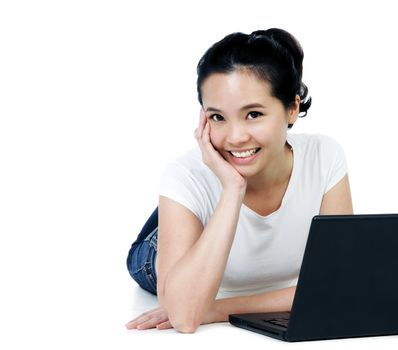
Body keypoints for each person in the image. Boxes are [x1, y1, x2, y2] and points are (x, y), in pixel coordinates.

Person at [125, 28, 354, 333]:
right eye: (218, 117)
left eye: (253, 114)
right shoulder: (186, 173)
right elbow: (184, 316)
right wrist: (232, 189)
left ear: (292, 108)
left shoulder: (325, 157)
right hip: (158, 250)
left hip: (219, 258)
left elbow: (339, 285)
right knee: (175, 228)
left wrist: (219, 308)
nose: (235, 137)